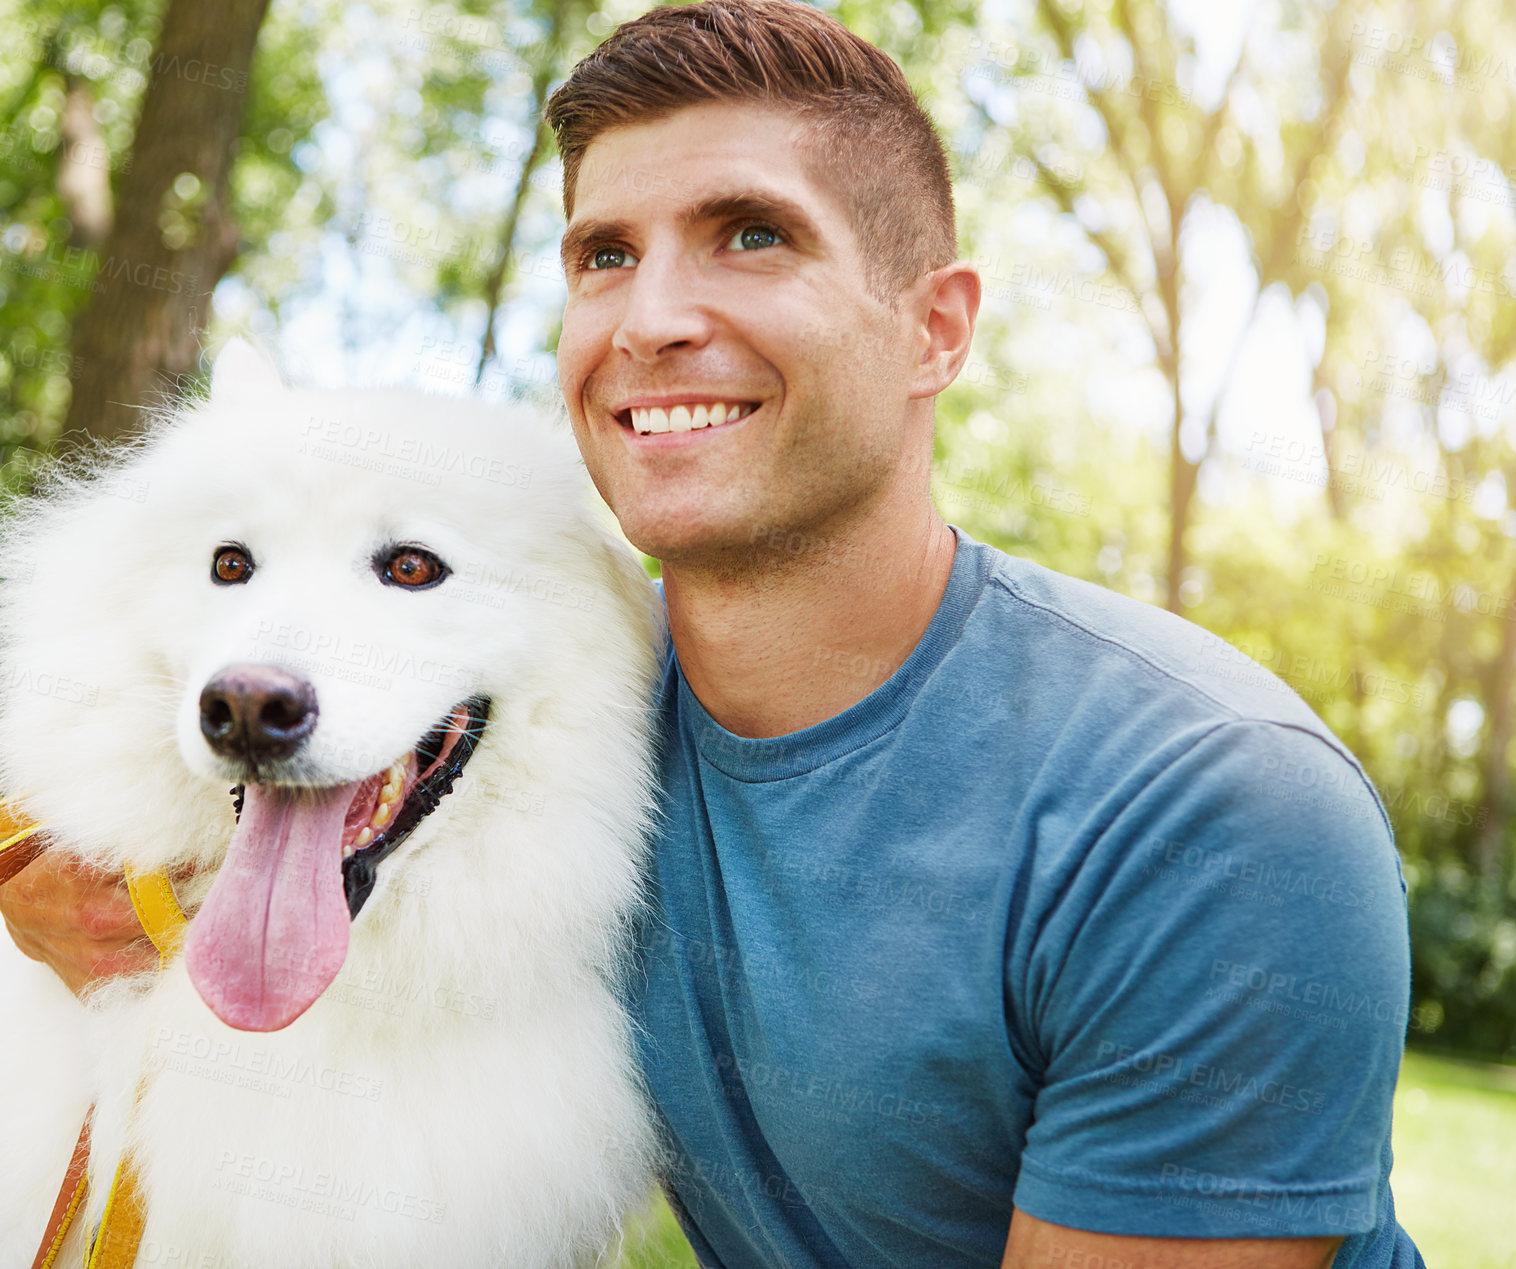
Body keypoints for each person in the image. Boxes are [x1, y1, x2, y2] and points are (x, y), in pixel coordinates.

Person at [1, 2, 1421, 1265]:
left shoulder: (1208, 810)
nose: (656, 317)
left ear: (938, 328)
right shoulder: (559, 719)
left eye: (755, 233)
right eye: (605, 254)